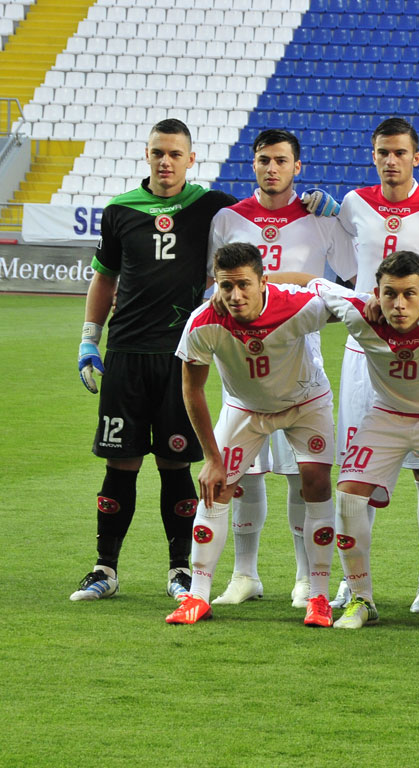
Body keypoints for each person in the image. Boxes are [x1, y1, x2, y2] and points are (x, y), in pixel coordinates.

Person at [281, 251, 419, 633]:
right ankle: (361, 598)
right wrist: (250, 279)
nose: (399, 305)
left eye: (409, 294)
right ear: (375, 292)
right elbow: (308, 280)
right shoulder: (357, 312)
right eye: (390, 294)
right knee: (349, 495)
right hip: (389, 415)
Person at [72, 119, 236, 603]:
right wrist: (88, 340)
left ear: (190, 159)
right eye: (158, 152)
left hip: (181, 357)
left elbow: (270, 217)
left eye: (175, 154)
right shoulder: (120, 210)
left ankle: (179, 571)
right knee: (119, 463)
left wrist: (319, 209)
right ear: (147, 156)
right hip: (125, 355)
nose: (166, 161)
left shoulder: (212, 206)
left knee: (175, 464)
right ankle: (105, 568)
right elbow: (105, 278)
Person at [326, 117, 419, 614]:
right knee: (356, 470)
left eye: (400, 152)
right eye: (382, 152)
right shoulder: (353, 203)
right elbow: (348, 268)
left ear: (417, 157)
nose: (391, 160)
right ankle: (353, 584)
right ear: (374, 156)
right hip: (365, 347)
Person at [205, 129, 353, 610]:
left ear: (297, 166)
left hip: (298, 360)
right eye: (264, 160)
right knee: (241, 474)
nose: (273, 168)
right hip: (240, 362)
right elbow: (217, 285)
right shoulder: (229, 218)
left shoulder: (319, 219)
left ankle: (306, 578)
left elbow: (350, 278)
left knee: (299, 474)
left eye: (282, 161)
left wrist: (343, 217)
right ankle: (244, 574)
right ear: (253, 164)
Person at [166, 243, 337, 627]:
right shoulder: (202, 322)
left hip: (306, 402)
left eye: (244, 284)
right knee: (216, 485)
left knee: (315, 482)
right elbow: (191, 389)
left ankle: (319, 596)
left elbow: (347, 310)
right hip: (245, 408)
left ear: (263, 281)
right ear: (216, 284)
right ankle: (197, 596)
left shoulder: (297, 305)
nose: (235, 295)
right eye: (226, 286)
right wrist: (211, 458)